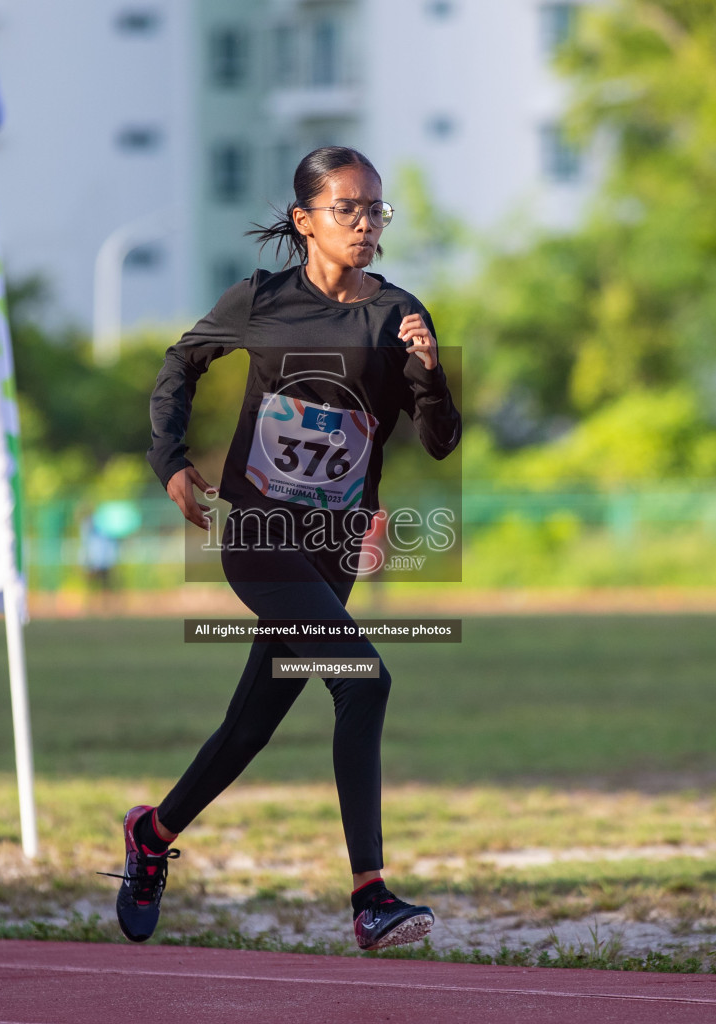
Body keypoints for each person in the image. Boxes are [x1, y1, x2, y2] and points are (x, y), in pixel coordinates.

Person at [110, 147, 460, 951]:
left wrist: (431, 374)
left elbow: (439, 441)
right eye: (350, 208)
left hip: (332, 550)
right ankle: (370, 895)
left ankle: (152, 835)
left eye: (378, 209)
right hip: (262, 536)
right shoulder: (261, 301)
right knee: (364, 681)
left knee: (248, 729)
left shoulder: (400, 314)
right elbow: (178, 365)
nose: (368, 222)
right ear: (306, 220)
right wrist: (170, 460)